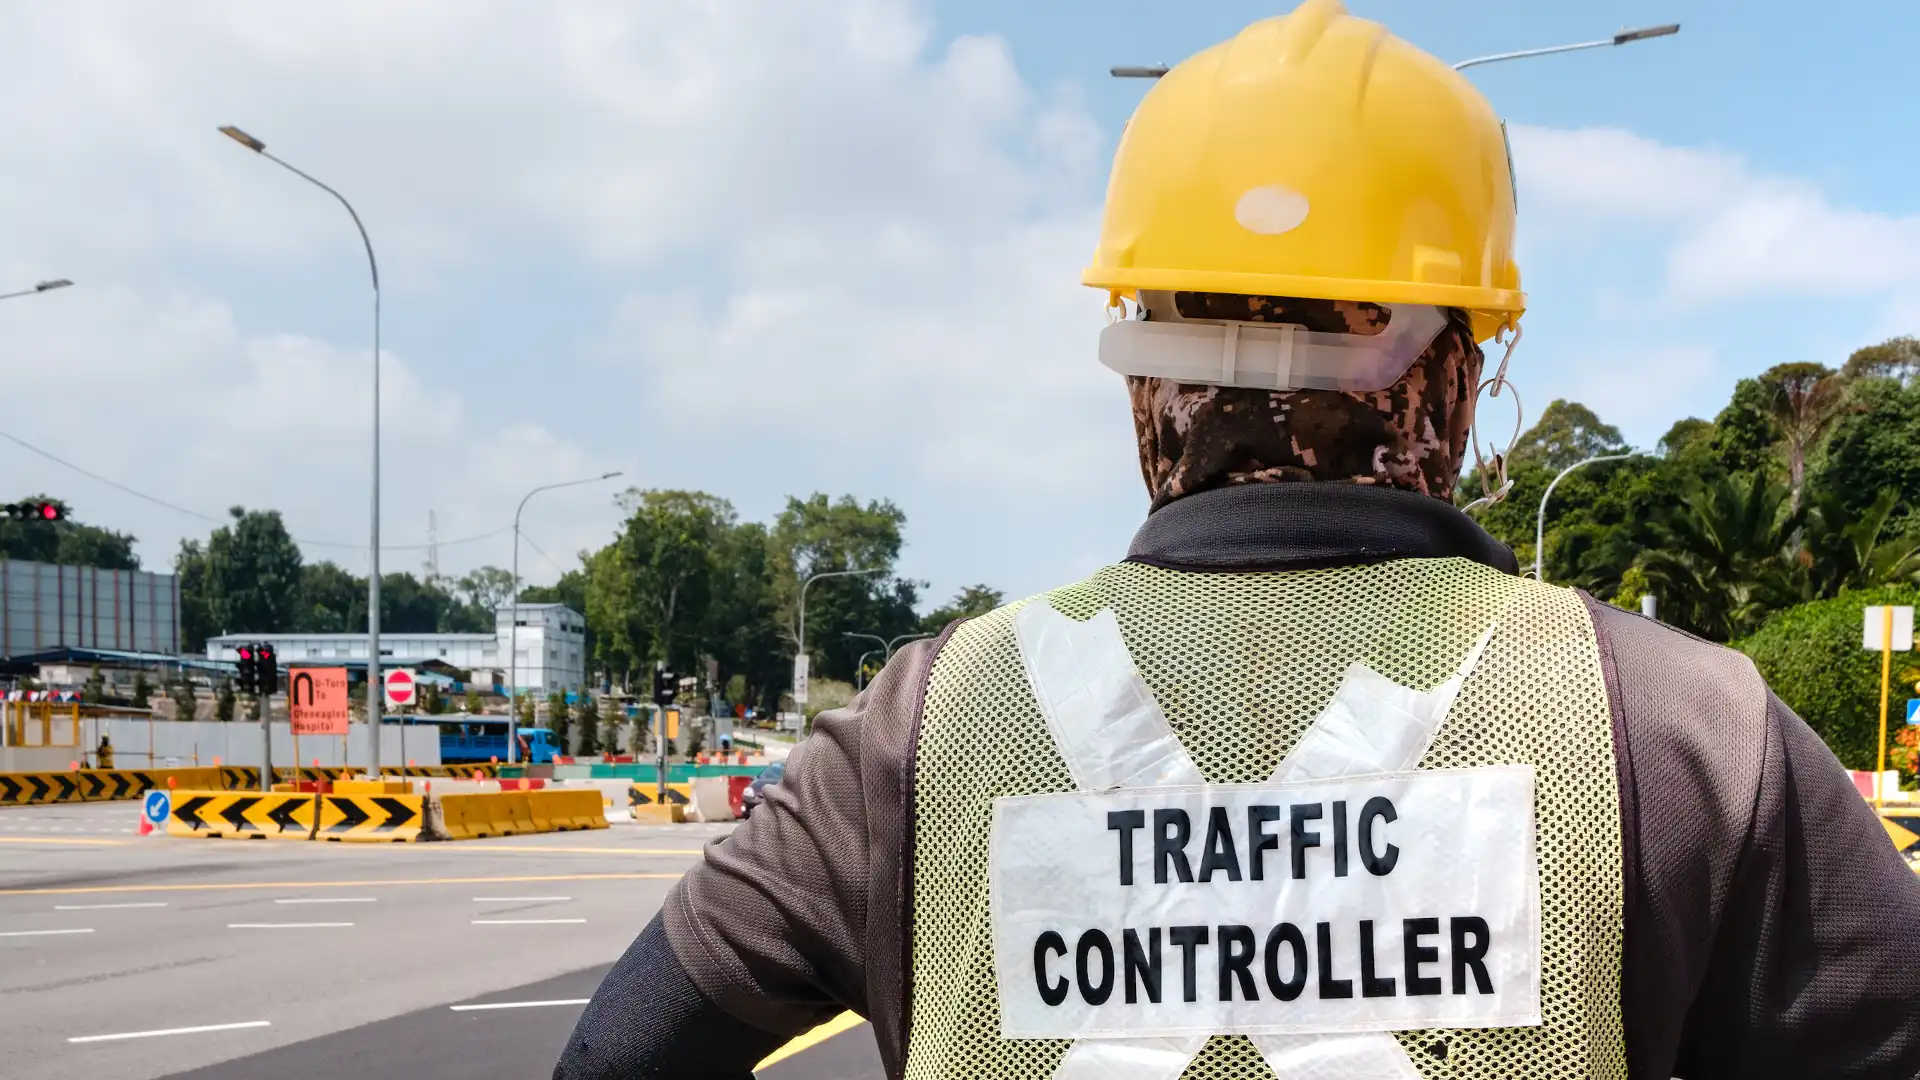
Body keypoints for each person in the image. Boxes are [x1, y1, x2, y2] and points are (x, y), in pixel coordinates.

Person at [555, 3, 1920, 1078]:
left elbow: (622, 1054)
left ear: (1143, 377)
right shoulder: (1686, 736)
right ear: (1454, 375)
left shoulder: (915, 737)